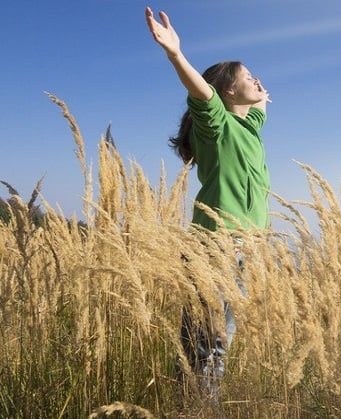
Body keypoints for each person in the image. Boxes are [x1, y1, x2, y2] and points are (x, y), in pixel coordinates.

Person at [145, 6, 272, 405]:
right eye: (247, 76)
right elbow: (202, 94)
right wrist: (176, 54)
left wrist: (261, 97)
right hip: (214, 246)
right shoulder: (215, 124)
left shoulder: (249, 127)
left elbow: (259, 111)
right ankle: (195, 409)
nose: (255, 79)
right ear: (227, 91)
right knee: (206, 345)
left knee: (222, 343)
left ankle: (198, 407)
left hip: (244, 249)